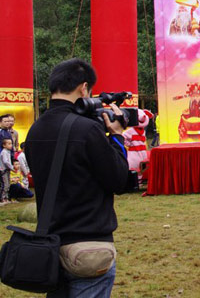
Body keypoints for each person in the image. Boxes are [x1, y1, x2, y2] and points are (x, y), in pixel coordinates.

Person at [24, 58, 129, 297]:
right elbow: (119, 179)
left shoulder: (35, 130)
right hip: (88, 245)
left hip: (50, 244)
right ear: (84, 88)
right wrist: (117, 137)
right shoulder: (87, 129)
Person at [0, 138, 13, 205]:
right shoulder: (4, 152)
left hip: (7, 170)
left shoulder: (8, 152)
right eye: (9, 144)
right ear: (4, 145)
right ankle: (2, 198)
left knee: (8, 184)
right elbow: (5, 161)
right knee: (5, 184)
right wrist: (11, 167)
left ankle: (6, 198)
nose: (11, 145)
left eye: (11, 143)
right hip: (4, 170)